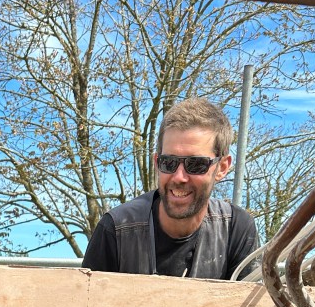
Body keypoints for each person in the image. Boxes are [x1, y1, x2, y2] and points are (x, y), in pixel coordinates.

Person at [82, 97, 259, 279]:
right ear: (157, 163)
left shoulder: (236, 230)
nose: (179, 176)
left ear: (222, 168)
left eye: (196, 164)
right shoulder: (115, 230)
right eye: (169, 162)